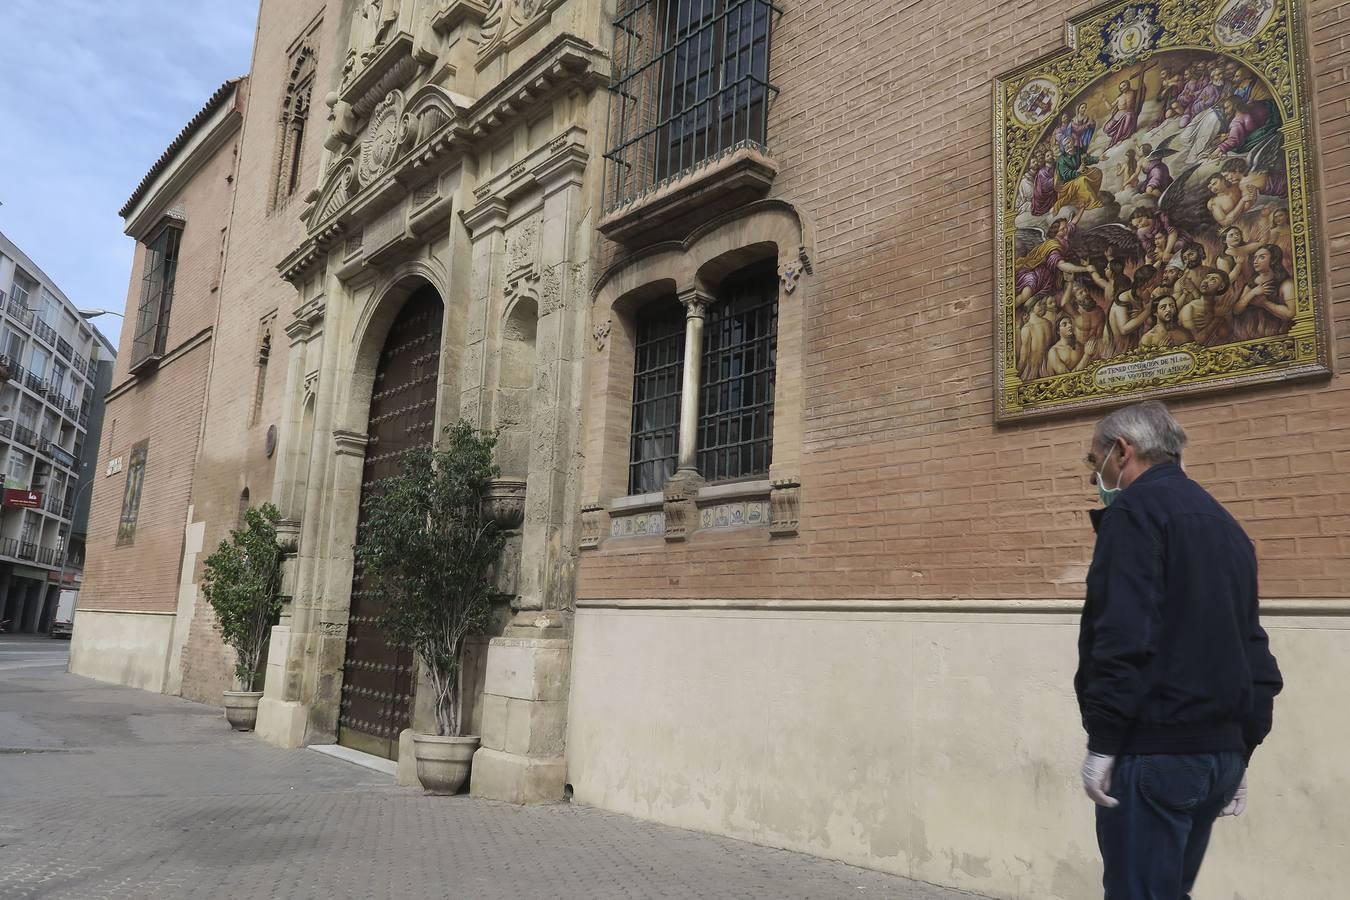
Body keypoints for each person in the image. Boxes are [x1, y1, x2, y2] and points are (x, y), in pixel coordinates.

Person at [1077, 402, 1282, 900]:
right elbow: (1253, 646)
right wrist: (1242, 746)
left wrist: (1103, 740)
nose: (1094, 477)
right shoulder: (1224, 525)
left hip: (1157, 752)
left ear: (1122, 451)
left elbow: (1122, 636)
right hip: (1217, 754)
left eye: (1094, 461)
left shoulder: (1133, 513)